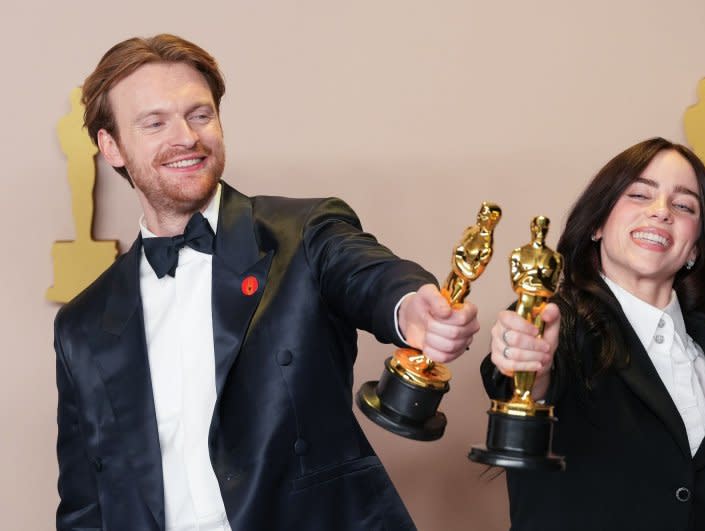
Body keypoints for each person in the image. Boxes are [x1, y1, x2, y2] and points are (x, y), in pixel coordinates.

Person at [54, 34, 480, 531]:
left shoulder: (303, 232)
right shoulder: (81, 324)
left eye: (200, 114)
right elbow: (85, 507)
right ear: (112, 147)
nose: (187, 137)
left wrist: (409, 307)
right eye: (155, 123)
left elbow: (370, 275)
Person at [483, 137, 705, 530]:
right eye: (639, 195)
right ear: (597, 224)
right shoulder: (554, 324)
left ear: (695, 249)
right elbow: (521, 379)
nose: (660, 212)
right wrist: (530, 364)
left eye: (683, 205)